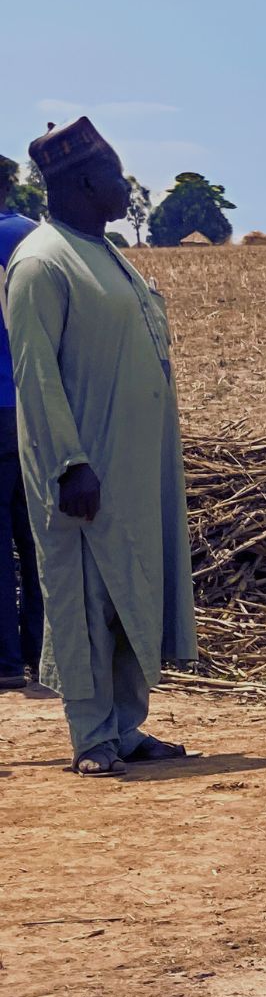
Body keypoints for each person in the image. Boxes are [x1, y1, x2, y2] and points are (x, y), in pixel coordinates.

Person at [4, 118, 196, 773]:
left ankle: (126, 725)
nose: (124, 186)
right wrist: (70, 464)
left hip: (134, 469)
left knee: (127, 593)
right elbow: (35, 372)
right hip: (82, 470)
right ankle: (92, 736)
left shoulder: (106, 252)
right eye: (116, 175)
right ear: (86, 182)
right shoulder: (40, 262)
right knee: (84, 597)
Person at [0, 171, 40, 689]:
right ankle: (45, 656)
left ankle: (5, 663)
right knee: (38, 541)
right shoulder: (35, 237)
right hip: (32, 406)